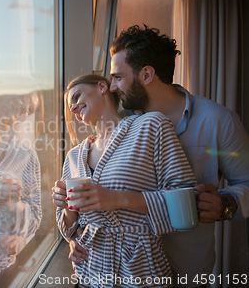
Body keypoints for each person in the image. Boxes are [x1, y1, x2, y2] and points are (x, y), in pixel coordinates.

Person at [65, 25, 249, 288]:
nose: (113, 87)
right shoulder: (121, 128)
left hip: (187, 268)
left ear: (147, 74)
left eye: (118, 78)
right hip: (127, 271)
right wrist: (80, 238)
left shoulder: (218, 121)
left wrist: (226, 203)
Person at [53, 73, 197, 287]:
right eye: (69, 107)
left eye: (76, 97)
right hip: (89, 273)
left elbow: (187, 201)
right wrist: (65, 207)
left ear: (102, 86)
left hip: (140, 271)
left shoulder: (150, 126)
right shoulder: (74, 156)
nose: (73, 108)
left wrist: (119, 199)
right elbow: (71, 226)